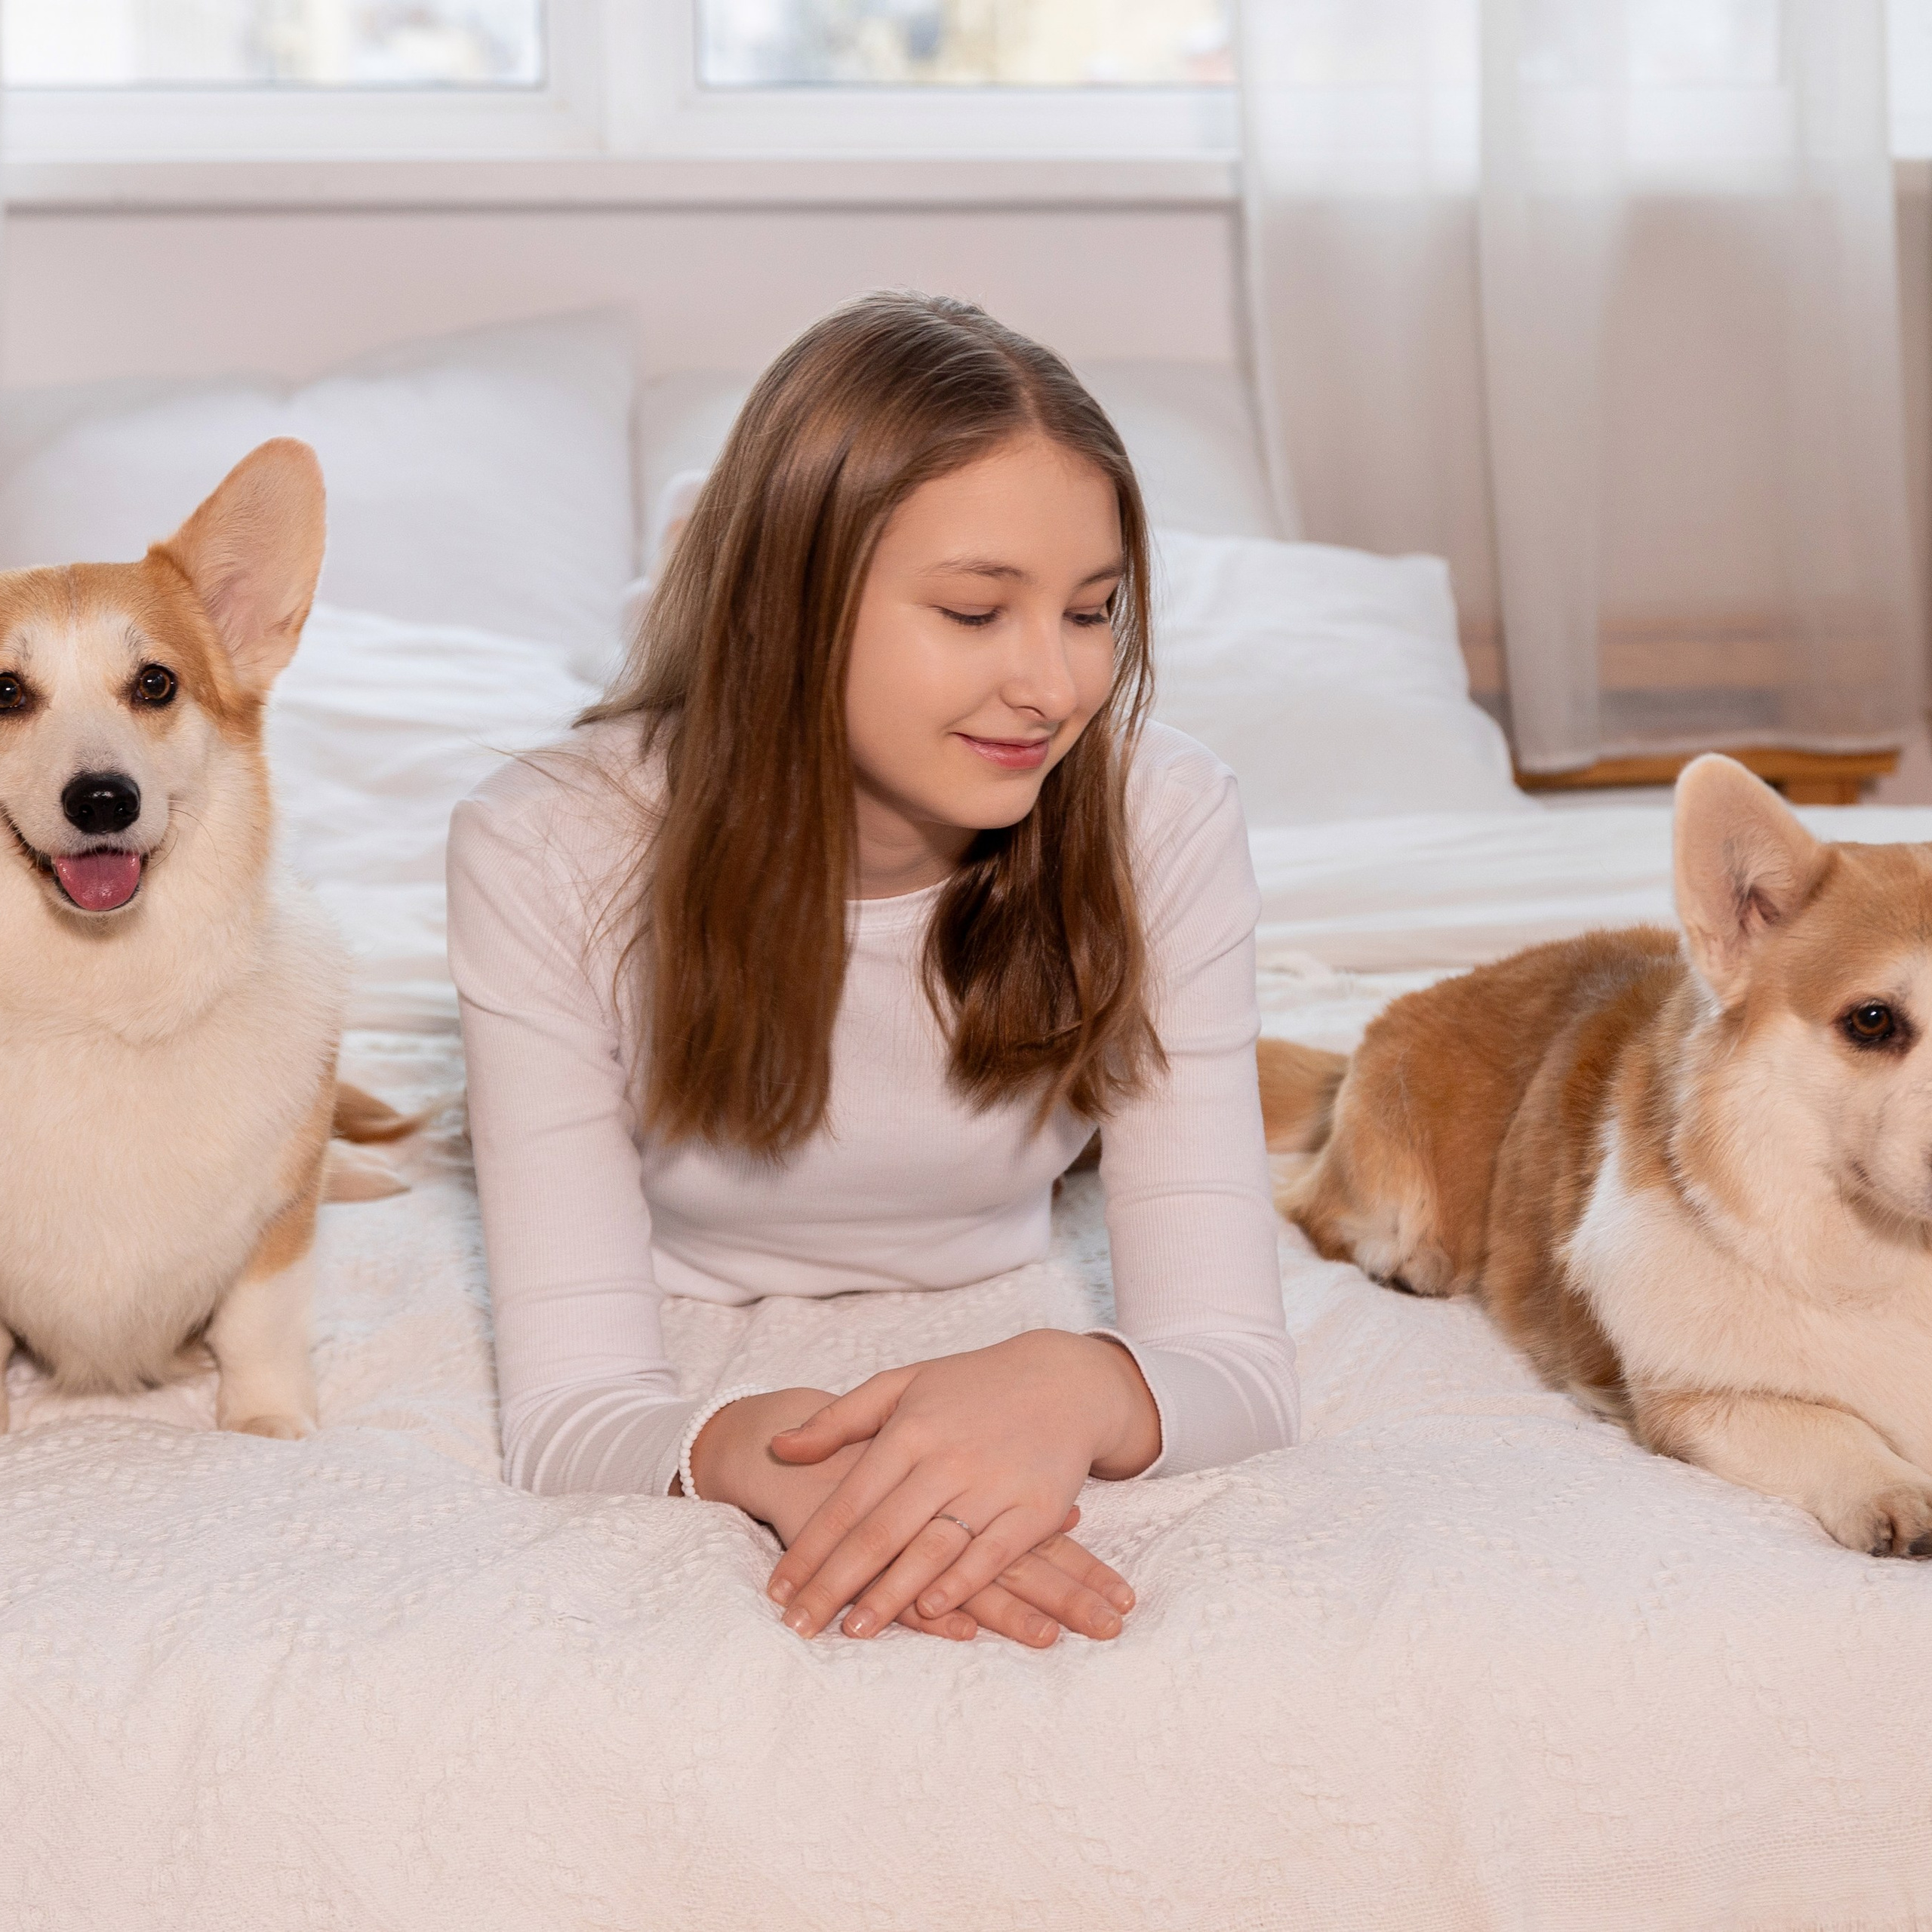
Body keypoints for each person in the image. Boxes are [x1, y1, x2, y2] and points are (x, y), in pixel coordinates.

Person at [448, 291, 1296, 1651]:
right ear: (792, 606)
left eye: (1091, 613)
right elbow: (573, 1414)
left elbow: (1236, 1363)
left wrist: (1071, 1382)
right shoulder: (543, 846)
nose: (1054, 687)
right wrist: (759, 1448)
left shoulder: (1163, 813)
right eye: (974, 612)